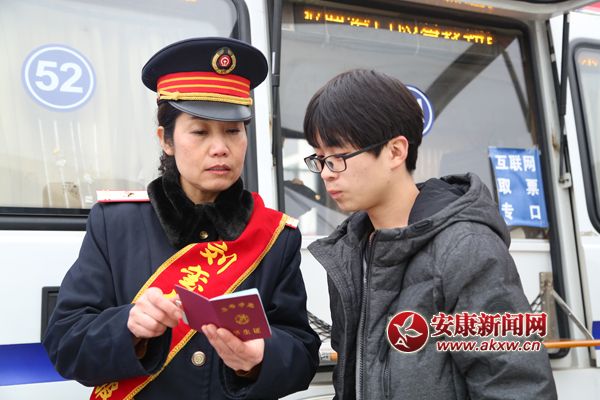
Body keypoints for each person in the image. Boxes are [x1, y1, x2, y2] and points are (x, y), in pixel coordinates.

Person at [43, 37, 320, 400]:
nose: (220, 148)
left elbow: (302, 354)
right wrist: (128, 326)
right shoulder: (116, 224)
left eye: (233, 131)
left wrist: (258, 359)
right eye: (200, 132)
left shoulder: (275, 237)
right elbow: (65, 343)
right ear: (166, 139)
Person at [302, 69, 557, 399]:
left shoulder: (466, 249)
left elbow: (516, 387)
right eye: (320, 158)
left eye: (338, 157)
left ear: (395, 151)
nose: (326, 173)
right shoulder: (349, 252)